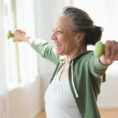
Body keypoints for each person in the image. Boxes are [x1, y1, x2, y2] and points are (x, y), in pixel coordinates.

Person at [13, 6, 118, 118]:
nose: (52, 37)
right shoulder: (64, 61)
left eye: (59, 32)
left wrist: (105, 57)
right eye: (53, 31)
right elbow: (44, 48)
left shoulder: (86, 63)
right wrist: (24, 37)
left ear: (78, 36)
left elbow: (96, 63)